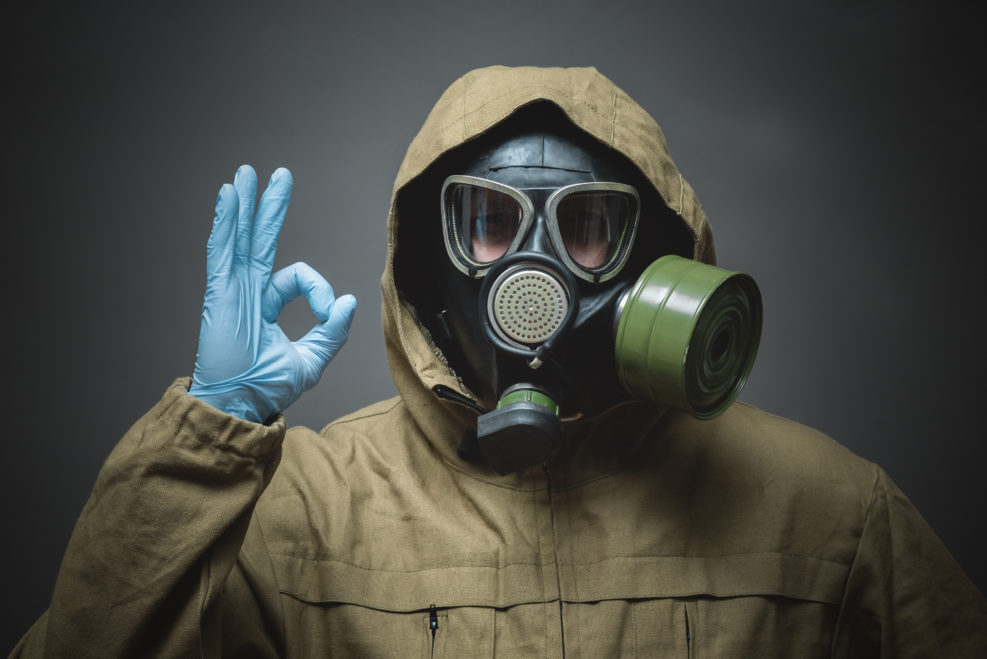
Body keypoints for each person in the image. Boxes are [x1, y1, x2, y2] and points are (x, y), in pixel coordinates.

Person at [12, 65, 986, 658]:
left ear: (657, 260)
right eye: (488, 222)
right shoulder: (296, 508)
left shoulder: (822, 508)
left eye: (589, 225)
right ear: (429, 265)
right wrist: (209, 434)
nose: (536, 272)